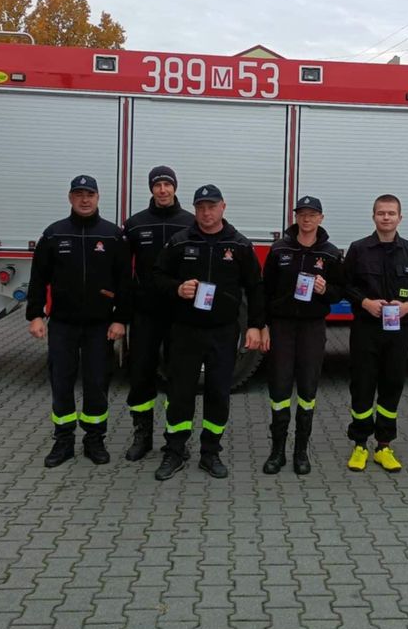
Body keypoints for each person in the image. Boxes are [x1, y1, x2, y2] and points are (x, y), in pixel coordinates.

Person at [152, 184, 266, 480]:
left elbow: (255, 287)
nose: (206, 212)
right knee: (180, 393)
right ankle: (175, 451)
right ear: (194, 209)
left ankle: (210, 453)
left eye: (211, 206)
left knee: (218, 393)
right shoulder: (179, 242)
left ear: (223, 207)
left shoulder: (239, 245)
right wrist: (177, 288)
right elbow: (157, 277)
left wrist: (255, 325)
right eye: (201, 207)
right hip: (185, 332)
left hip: (223, 332)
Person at [27, 175, 131, 468]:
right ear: (70, 198)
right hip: (63, 323)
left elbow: (124, 283)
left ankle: (94, 440)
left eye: (90, 194)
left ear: (98, 198)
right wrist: (35, 315)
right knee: (61, 381)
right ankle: (63, 441)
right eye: (79, 194)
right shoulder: (54, 235)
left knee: (97, 382)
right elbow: (38, 279)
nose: (85, 200)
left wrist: (121, 319)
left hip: (100, 325)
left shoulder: (113, 236)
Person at [343, 194, 408, 472]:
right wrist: (365, 302)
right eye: (381, 213)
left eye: (391, 213)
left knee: (392, 386)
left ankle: (384, 446)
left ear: (400, 218)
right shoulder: (358, 249)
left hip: (398, 332)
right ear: (374, 216)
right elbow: (346, 285)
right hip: (366, 330)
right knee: (362, 386)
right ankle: (359, 445)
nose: (386, 217)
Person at [261, 196, 343, 476]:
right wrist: (262, 326)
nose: (306, 219)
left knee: (308, 390)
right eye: (302, 214)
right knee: (280, 389)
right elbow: (264, 290)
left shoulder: (331, 253)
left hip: (312, 327)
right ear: (295, 217)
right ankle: (277, 451)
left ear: (321, 218)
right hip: (282, 326)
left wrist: (325, 289)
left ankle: (300, 451)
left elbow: (339, 293)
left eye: (312, 214)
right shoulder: (279, 249)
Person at [120, 166, 194, 462]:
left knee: (180, 377)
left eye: (167, 184)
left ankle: (177, 438)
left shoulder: (190, 223)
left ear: (175, 187)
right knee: (141, 374)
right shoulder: (136, 225)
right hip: (146, 314)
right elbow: (124, 274)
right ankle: (142, 435)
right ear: (151, 189)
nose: (163, 190)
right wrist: (123, 315)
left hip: (180, 316)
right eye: (157, 185)